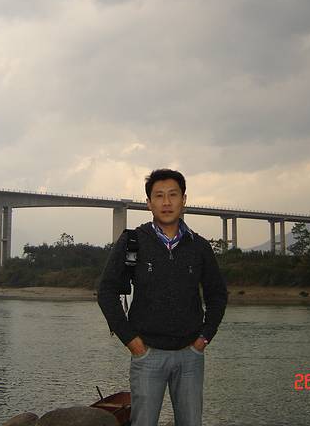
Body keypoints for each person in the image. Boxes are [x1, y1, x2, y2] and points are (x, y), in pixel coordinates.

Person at [97, 168, 228, 426]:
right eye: (159, 196)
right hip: (147, 354)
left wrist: (204, 338)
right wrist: (132, 341)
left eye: (173, 195)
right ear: (149, 203)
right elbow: (106, 291)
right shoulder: (133, 242)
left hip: (190, 355)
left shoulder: (199, 246)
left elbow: (217, 294)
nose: (166, 202)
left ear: (184, 200)